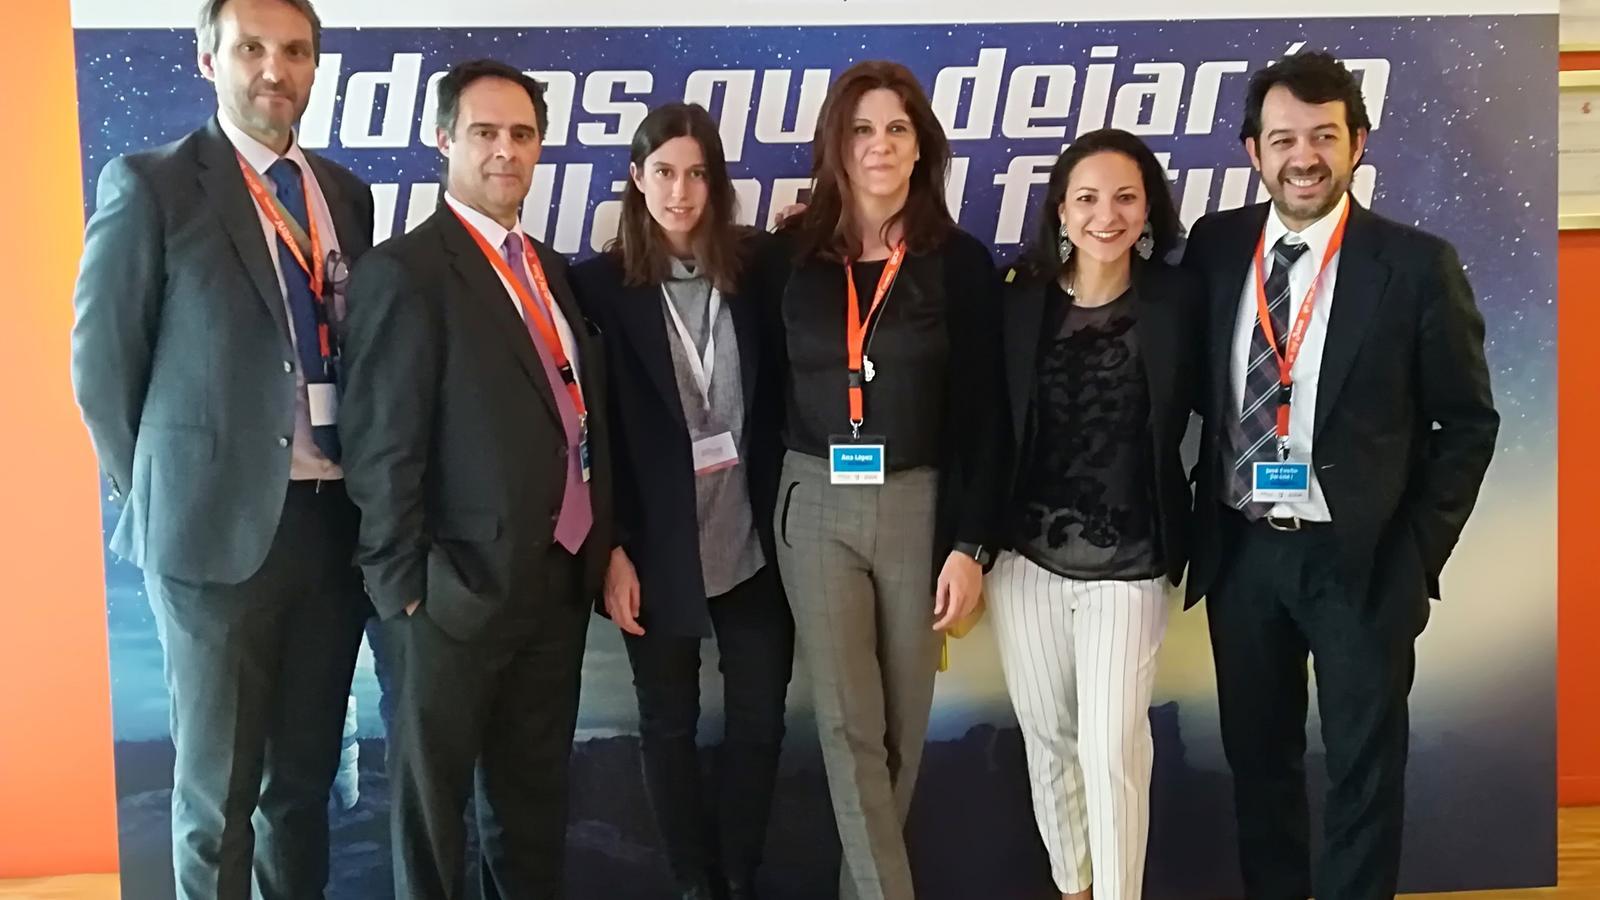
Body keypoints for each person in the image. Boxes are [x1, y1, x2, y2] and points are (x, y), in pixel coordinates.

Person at [68, 0, 373, 896]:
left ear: (315, 65)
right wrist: (160, 498)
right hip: (211, 539)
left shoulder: (344, 195)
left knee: (303, 788)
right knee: (217, 797)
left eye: (296, 51)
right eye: (251, 48)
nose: (275, 69)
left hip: (334, 527)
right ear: (208, 60)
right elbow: (101, 368)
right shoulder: (152, 183)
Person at [1183, 51, 1499, 900]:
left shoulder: (1417, 266)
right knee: (1260, 766)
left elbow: (1468, 424)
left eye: (1324, 136)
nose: (1304, 156)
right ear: (1253, 151)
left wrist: (1413, 558)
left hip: (1360, 561)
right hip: (1242, 553)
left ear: (1357, 143)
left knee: (1365, 774)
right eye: (1284, 138)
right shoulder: (1215, 248)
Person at [337, 58, 612, 900]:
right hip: (447, 598)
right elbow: (381, 445)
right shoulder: (406, 271)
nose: (505, 151)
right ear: (443, 140)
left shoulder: (550, 271)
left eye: (522, 135)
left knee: (531, 813)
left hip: (554, 586)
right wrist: (404, 594)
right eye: (485, 132)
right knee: (432, 822)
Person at [755, 59, 1007, 900]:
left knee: (901, 730)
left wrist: (972, 544)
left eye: (897, 128)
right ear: (836, 143)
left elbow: (984, 414)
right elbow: (760, 395)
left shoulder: (959, 263)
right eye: (862, 128)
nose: (880, 145)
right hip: (814, 501)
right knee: (847, 724)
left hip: (917, 504)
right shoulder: (784, 258)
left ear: (921, 145)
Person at [571, 102, 793, 900]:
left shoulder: (758, 270)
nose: (680, 191)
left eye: (698, 174)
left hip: (754, 542)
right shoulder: (596, 286)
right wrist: (612, 549)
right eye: (664, 172)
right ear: (637, 178)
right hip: (655, 547)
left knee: (759, 722)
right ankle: (693, 882)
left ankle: (738, 874)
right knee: (666, 724)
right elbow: (587, 433)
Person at [988, 128, 1203, 900]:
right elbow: (986, 429)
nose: (1105, 215)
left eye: (1124, 198)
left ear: (1148, 210)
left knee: (1112, 751)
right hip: (1023, 563)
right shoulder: (1018, 300)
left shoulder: (1179, 302)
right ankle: (1073, 888)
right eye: (1086, 198)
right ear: (1060, 209)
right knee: (1049, 742)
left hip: (1130, 563)